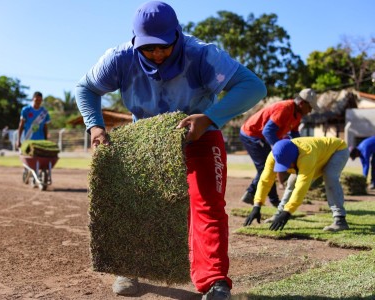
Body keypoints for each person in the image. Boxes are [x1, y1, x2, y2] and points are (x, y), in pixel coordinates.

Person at [75, 1, 267, 299]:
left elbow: (253, 87)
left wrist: (210, 117)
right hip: (148, 141)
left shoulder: (202, 54)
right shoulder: (119, 58)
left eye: (164, 46)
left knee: (207, 204)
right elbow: (85, 88)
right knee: (136, 202)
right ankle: (129, 268)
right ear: (136, 40)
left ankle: (214, 280)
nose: (158, 54)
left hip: (201, 134)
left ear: (177, 34)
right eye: (149, 48)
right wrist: (95, 125)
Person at [243, 137, 350, 232]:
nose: (284, 169)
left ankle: (340, 220)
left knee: (330, 176)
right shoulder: (274, 155)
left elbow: (301, 187)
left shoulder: (307, 156)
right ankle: (279, 212)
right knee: (291, 182)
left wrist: (288, 212)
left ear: (295, 158)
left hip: (337, 150)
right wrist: (257, 205)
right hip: (318, 154)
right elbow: (265, 180)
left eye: (287, 164)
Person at [239, 88, 319, 207]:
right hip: (252, 135)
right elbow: (268, 131)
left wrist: (300, 150)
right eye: (310, 107)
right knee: (266, 168)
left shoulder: (297, 115)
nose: (310, 111)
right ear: (302, 103)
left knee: (267, 168)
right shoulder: (285, 108)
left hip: (262, 137)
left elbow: (295, 135)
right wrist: (280, 151)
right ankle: (273, 201)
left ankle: (251, 194)